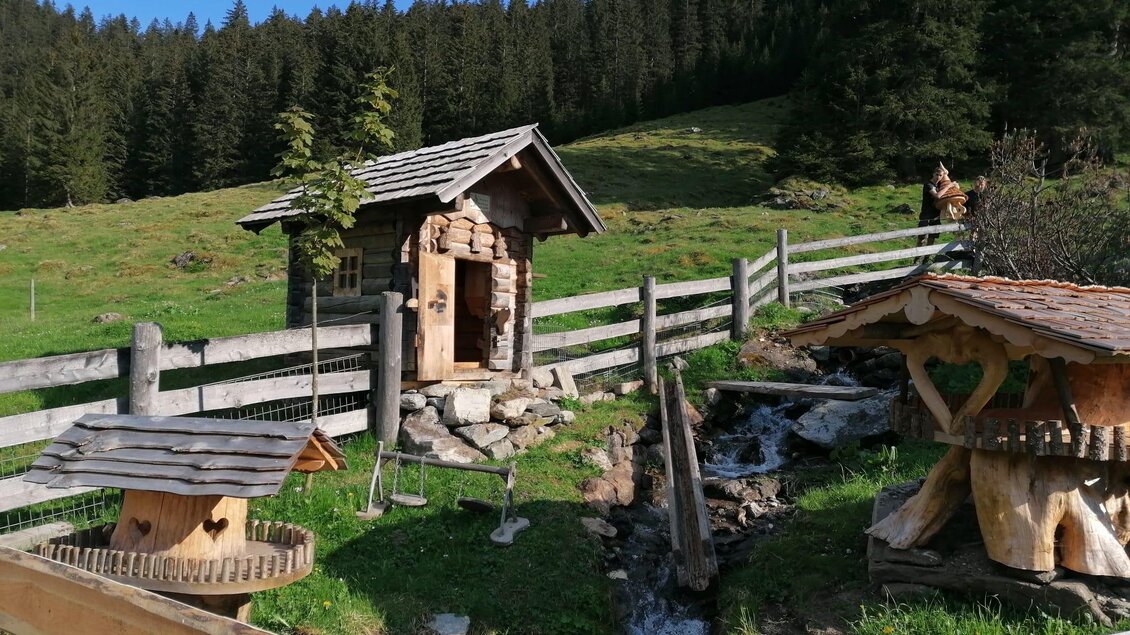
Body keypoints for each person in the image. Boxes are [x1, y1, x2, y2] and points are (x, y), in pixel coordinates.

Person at [915, 165, 947, 250]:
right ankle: (916, 258)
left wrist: (942, 167)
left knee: (932, 239)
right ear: (933, 174)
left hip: (936, 216)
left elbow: (946, 173)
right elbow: (937, 196)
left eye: (940, 175)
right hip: (926, 215)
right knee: (921, 238)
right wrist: (949, 186)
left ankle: (926, 258)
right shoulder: (928, 184)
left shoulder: (940, 185)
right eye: (937, 174)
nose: (938, 177)